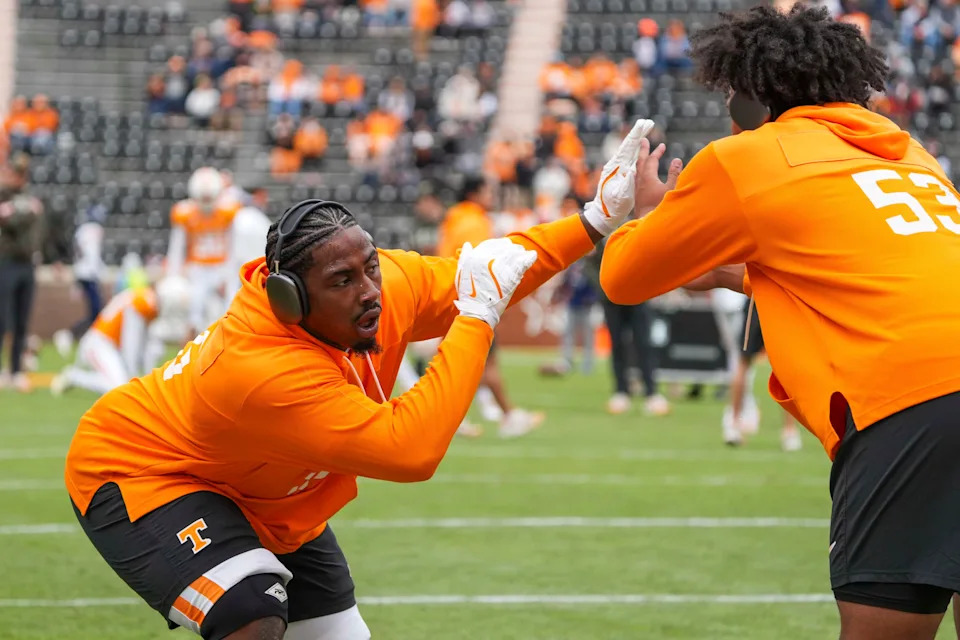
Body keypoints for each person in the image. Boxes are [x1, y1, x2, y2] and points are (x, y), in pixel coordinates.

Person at [64, 120, 652, 640]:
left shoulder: (382, 284)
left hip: (255, 485)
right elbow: (411, 450)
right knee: (252, 609)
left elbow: (495, 269)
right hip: (142, 471)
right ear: (289, 299)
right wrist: (476, 320)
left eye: (369, 266)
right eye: (343, 281)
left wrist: (594, 220)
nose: (370, 291)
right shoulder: (260, 369)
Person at [599, 6, 960, 638]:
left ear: (755, 96)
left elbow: (622, 278)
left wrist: (644, 212)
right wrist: (736, 275)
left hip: (909, 401)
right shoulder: (912, 153)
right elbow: (858, 273)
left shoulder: (749, 156)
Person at [434, 175, 542, 437]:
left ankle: (502, 415)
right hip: (471, 300)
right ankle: (502, 417)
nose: (491, 197)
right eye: (486, 191)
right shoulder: (476, 222)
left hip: (448, 295)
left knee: (471, 363)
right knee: (480, 363)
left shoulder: (456, 217)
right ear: (474, 194)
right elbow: (482, 266)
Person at [52, 277, 192, 396]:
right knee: (119, 388)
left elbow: (143, 344)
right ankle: (74, 376)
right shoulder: (143, 303)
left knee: (150, 355)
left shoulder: (146, 299)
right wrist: (133, 376)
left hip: (111, 346)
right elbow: (131, 341)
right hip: (98, 344)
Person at [722, 297, 802, 451]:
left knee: (746, 363)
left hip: (762, 300)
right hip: (776, 301)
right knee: (783, 366)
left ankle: (733, 426)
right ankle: (790, 432)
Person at [167, 167, 241, 332]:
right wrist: (175, 276)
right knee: (195, 313)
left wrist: (229, 274)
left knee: (229, 309)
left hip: (221, 267)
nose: (207, 203)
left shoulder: (229, 211)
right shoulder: (185, 213)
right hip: (197, 269)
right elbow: (176, 249)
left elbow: (233, 248)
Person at [0, 181, 44, 393]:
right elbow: (13, 222)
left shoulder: (28, 197)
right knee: (2, 319)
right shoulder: (5, 195)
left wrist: (19, 211)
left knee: (21, 321)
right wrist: (25, 211)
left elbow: (33, 220)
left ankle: (15, 370)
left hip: (27, 263)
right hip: (6, 262)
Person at [53, 204, 107, 358]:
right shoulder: (92, 230)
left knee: (96, 312)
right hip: (88, 274)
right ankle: (71, 335)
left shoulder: (82, 230)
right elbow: (91, 254)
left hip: (83, 272)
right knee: (97, 313)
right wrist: (98, 272)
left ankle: (81, 338)